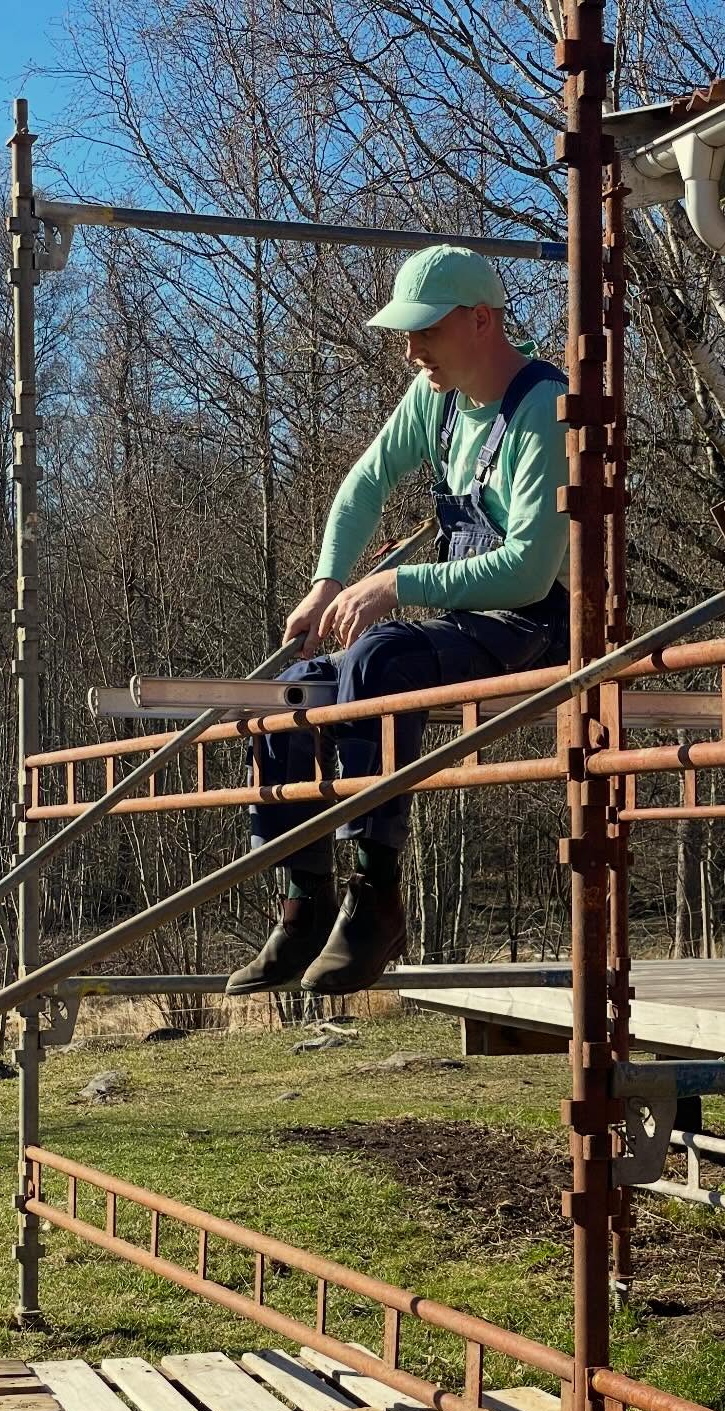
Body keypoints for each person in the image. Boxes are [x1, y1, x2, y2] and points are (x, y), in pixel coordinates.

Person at [225, 244, 569, 998]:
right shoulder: (435, 398)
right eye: (407, 335)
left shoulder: (545, 409)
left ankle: (376, 896)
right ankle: (303, 900)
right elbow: (365, 483)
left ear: (481, 321)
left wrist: (396, 584)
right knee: (296, 686)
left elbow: (529, 570)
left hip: (531, 627)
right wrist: (326, 584)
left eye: (427, 331)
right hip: (465, 620)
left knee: (378, 659)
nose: (413, 352)